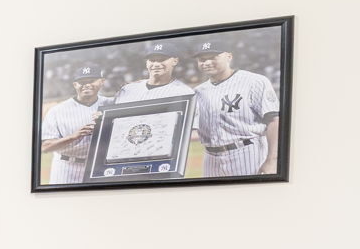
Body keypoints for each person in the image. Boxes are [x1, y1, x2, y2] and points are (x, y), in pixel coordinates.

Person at [190, 39, 281, 176]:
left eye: (213, 57)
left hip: (247, 152)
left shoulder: (254, 81)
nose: (207, 63)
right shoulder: (197, 91)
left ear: (229, 57)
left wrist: (272, 161)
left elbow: (274, 121)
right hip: (210, 157)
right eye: (202, 59)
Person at [40, 65, 107, 184]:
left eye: (91, 80)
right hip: (66, 168)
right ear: (75, 85)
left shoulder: (111, 103)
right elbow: (45, 147)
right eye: (82, 82)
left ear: (102, 82)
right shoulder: (57, 110)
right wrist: (73, 136)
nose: (87, 84)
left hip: (99, 167)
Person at [116, 40, 194, 103]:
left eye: (162, 60)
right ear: (146, 63)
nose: (156, 64)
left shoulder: (184, 92)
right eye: (152, 60)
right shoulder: (128, 89)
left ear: (175, 61)